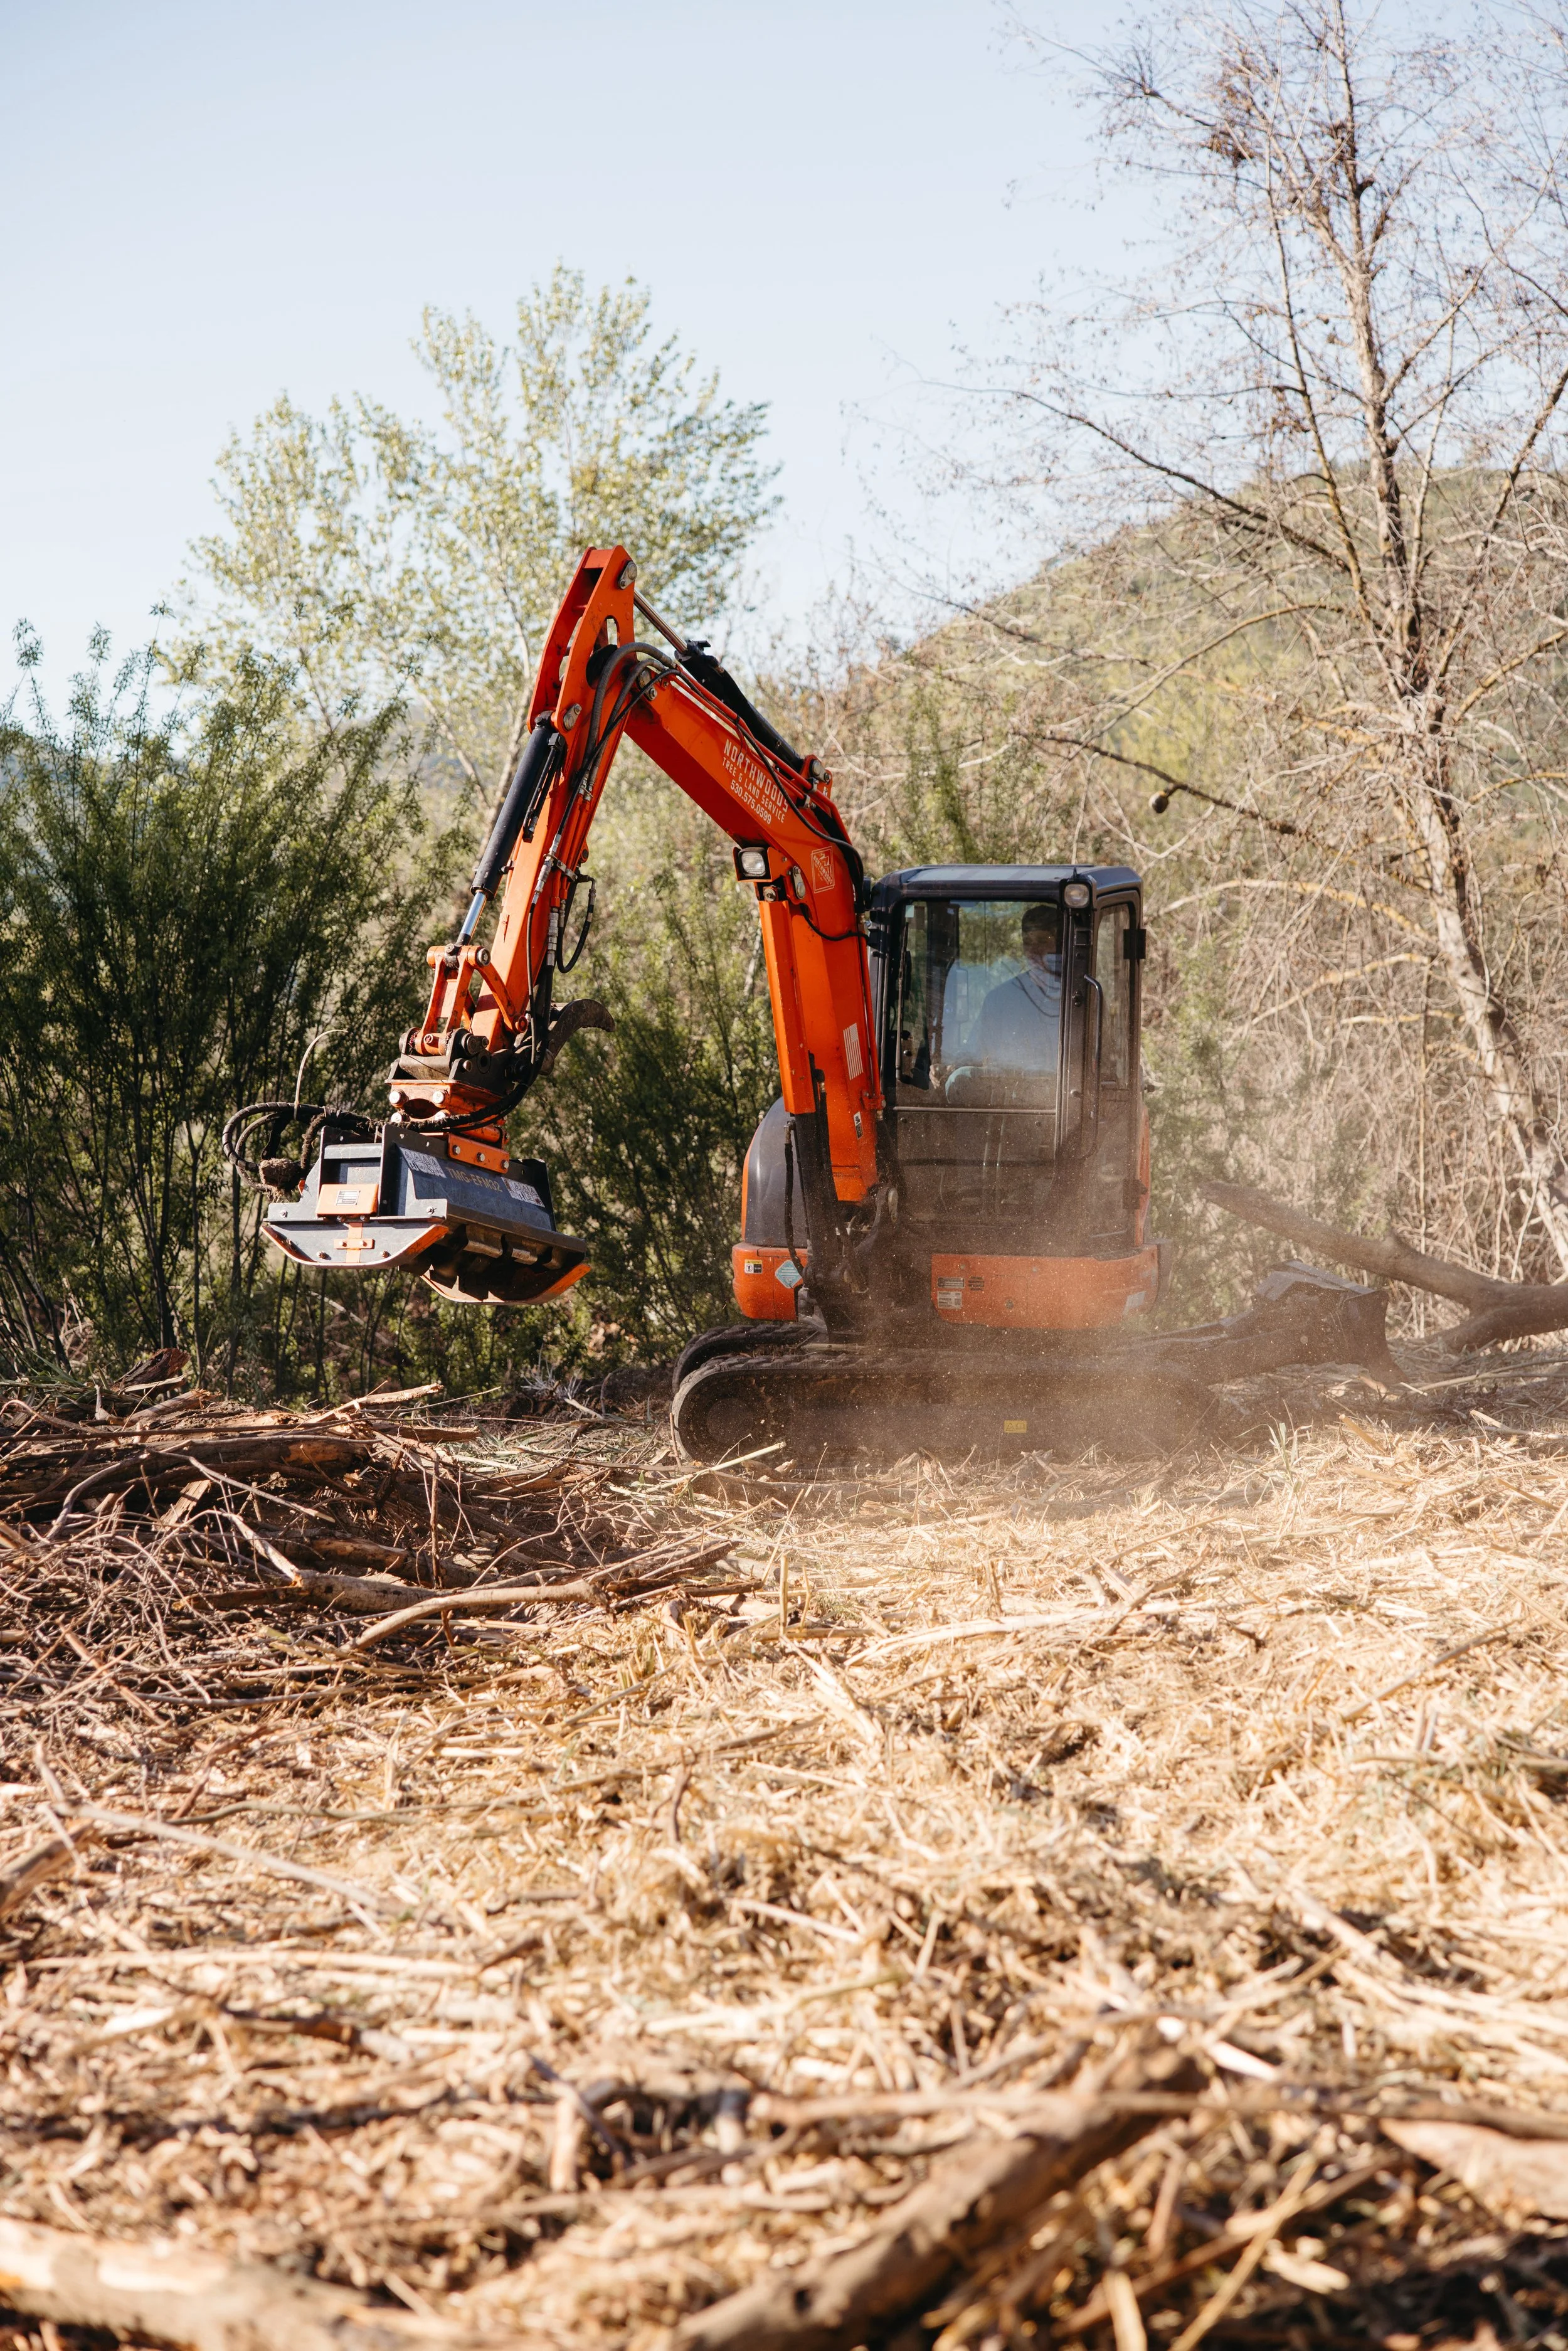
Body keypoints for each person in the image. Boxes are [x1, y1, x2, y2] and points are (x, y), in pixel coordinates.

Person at [975, 903, 1062, 1078]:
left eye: (1042, 941)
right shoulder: (1000, 999)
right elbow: (976, 1055)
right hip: (1013, 1099)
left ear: (1060, 944)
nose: (1033, 950)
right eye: (1027, 942)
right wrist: (949, 1067)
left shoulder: (1083, 995)